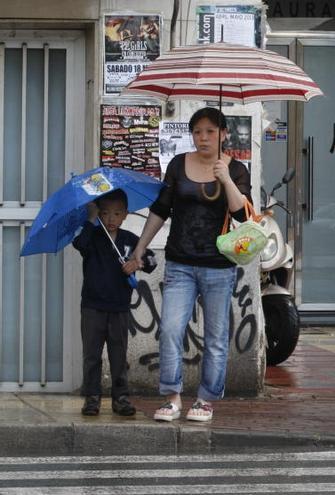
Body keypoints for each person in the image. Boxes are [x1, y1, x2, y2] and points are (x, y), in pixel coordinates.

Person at [124, 107, 251, 422]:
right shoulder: (179, 165)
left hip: (219, 267)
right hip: (180, 263)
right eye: (197, 131)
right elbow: (161, 209)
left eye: (210, 131)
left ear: (224, 134)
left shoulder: (236, 170)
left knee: (216, 338)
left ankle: (205, 401)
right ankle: (172, 397)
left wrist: (226, 179)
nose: (203, 137)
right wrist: (139, 248)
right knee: (169, 330)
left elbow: (243, 216)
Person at [73, 190, 155, 416]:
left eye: (117, 213)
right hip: (92, 306)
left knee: (118, 355)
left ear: (125, 215)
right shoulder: (93, 237)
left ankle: (121, 398)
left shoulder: (130, 240)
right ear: (99, 214)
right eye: (105, 213)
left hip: (119, 307)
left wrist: (136, 262)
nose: (111, 219)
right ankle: (92, 398)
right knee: (92, 355)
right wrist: (90, 219)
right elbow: (79, 244)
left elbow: (151, 261)